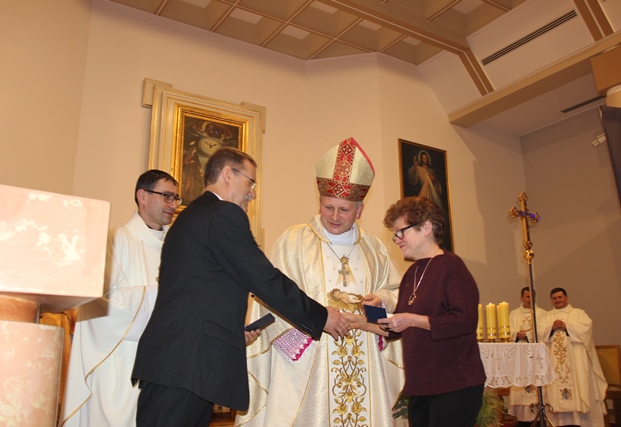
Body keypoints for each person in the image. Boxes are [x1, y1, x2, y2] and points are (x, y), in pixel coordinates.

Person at [131, 147, 350, 427]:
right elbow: (264, 278)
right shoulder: (223, 214)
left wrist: (231, 332)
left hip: (182, 364)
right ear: (227, 174)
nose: (252, 194)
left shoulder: (194, 215)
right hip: (185, 366)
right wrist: (321, 316)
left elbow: (198, 294)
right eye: (250, 182)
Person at [235, 137, 405, 427]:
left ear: (360, 210)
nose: (335, 216)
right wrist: (309, 327)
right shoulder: (294, 241)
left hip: (364, 358)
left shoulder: (374, 249)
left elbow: (395, 293)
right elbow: (270, 298)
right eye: (328, 207)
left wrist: (380, 301)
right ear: (319, 203)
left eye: (344, 210)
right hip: (308, 359)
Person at [60, 169, 181, 427]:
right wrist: (158, 295)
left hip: (167, 367)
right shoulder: (114, 240)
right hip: (119, 363)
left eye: (176, 198)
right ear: (142, 196)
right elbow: (96, 302)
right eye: (167, 196)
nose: (173, 204)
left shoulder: (179, 249)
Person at [372, 196, 486, 427]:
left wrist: (413, 320)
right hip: (421, 386)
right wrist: (367, 316)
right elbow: (396, 329)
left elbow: (463, 320)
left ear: (426, 227)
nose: (397, 240)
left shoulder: (451, 266)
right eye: (395, 235)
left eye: (401, 232)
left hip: (454, 384)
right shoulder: (411, 274)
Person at [540, 287, 608, 427]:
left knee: (580, 388)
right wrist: (551, 328)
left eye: (560, 297)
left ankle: (581, 422)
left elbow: (586, 329)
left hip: (576, 362)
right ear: (551, 300)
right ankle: (560, 423)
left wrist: (567, 327)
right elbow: (539, 333)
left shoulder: (579, 313)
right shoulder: (546, 317)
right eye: (555, 298)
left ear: (566, 298)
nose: (557, 300)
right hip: (554, 363)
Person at [507, 286, 548, 426]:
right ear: (521, 298)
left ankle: (539, 418)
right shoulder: (513, 314)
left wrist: (528, 335)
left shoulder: (542, 314)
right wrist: (516, 334)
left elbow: (545, 333)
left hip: (536, 359)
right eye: (527, 296)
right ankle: (522, 422)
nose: (530, 299)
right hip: (520, 358)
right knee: (521, 393)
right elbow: (508, 331)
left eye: (532, 297)